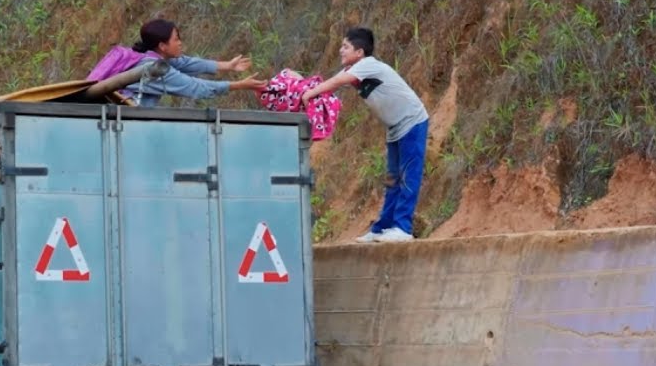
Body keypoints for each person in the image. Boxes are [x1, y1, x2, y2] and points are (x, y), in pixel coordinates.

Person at [301, 27, 429, 243]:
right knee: (392, 179)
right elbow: (330, 84)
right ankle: (382, 227)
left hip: (412, 121)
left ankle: (403, 228)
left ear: (359, 52)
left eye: (345, 47)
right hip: (395, 128)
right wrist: (304, 90)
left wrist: (310, 94)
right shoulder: (353, 70)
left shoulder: (368, 64)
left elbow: (335, 83)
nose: (341, 51)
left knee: (408, 175)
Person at [120, 18, 266, 107]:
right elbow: (196, 88)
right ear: (162, 46)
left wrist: (227, 65)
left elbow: (186, 63)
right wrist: (239, 85)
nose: (180, 43)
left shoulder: (145, 55)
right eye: (176, 39)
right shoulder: (154, 69)